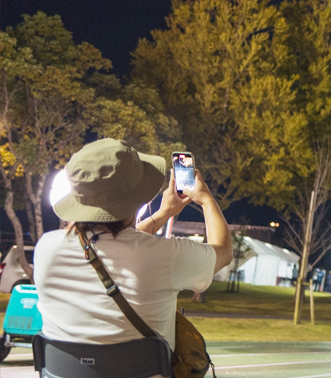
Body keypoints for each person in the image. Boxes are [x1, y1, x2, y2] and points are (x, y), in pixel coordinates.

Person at [34, 138, 232, 353]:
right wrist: (205, 199)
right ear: (139, 196)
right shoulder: (164, 255)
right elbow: (223, 251)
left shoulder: (46, 247)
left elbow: (115, 245)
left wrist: (163, 214)